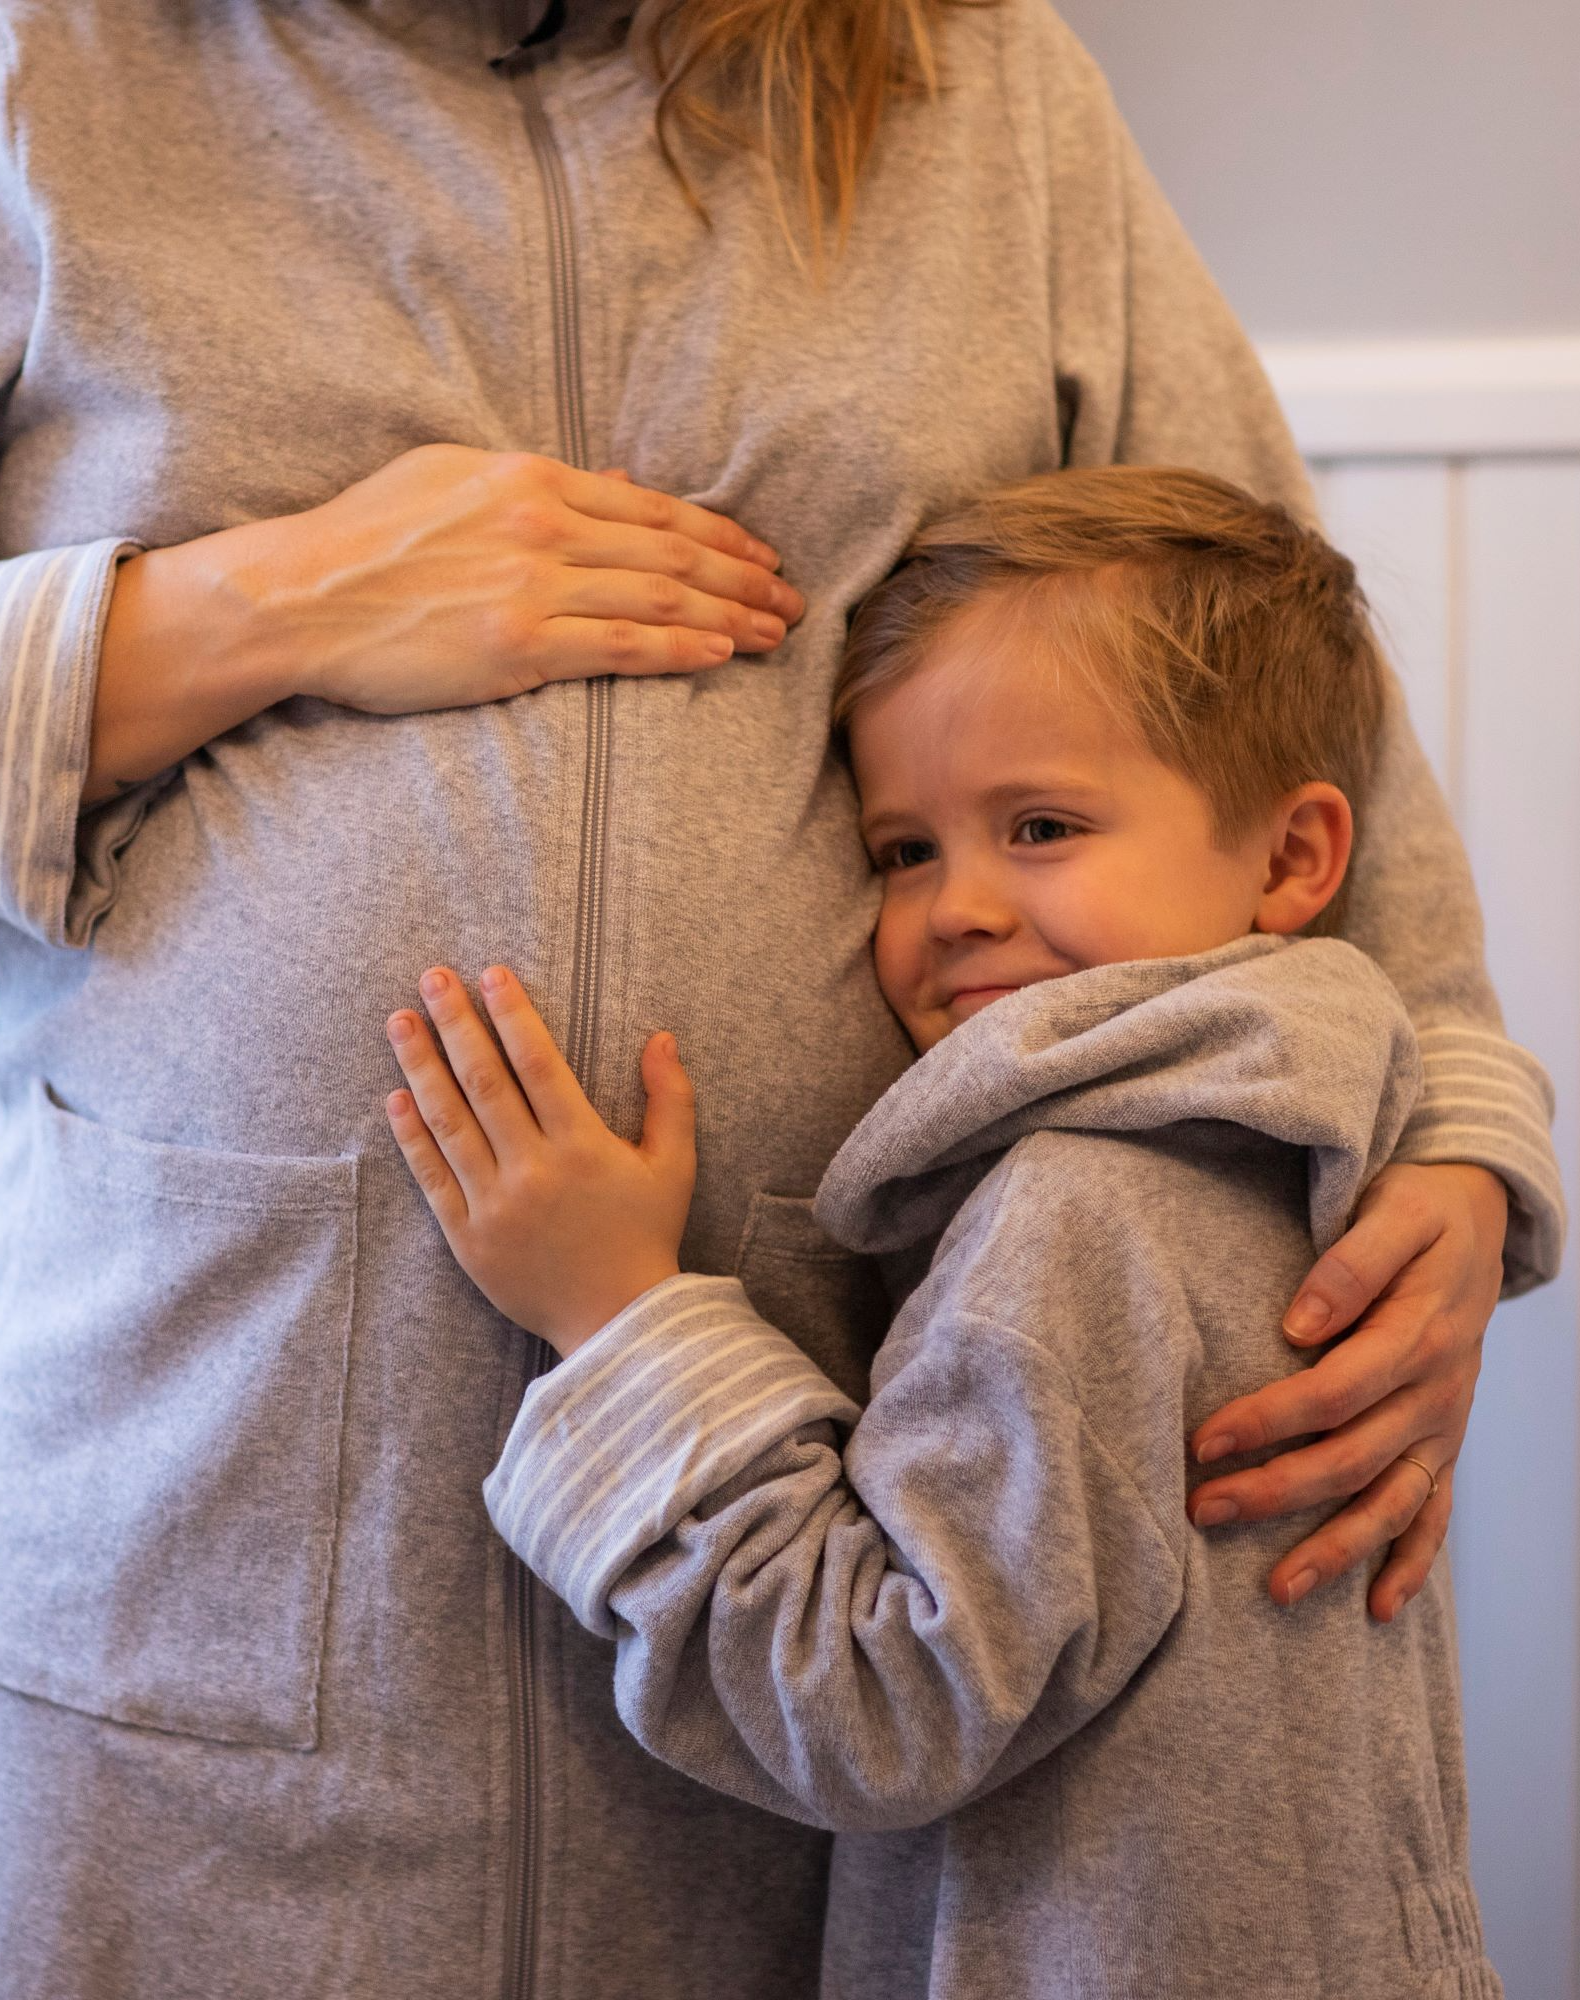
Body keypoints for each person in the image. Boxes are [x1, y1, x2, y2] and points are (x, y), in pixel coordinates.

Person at [0, 0, 1558, 1992]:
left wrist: (1460, 1129)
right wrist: (282, 597)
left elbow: (1277, 684)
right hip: (183, 1648)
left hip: (796, 1667)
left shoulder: (977, 85)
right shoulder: (14, 60)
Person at [380, 467, 1517, 1996]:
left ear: (1296, 860)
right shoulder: (1300, 1146)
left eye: (1040, 825)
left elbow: (880, 1707)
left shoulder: (1080, 1216)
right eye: (904, 848)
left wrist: (624, 1320)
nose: (958, 907)